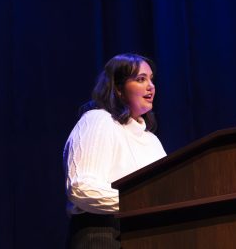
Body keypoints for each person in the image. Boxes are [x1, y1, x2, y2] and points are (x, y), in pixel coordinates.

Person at [63, 53, 167, 248]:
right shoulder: (98, 120)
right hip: (103, 234)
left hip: (149, 236)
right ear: (118, 89)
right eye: (140, 79)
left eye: (151, 79)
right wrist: (141, 203)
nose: (151, 86)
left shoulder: (152, 141)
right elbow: (81, 187)